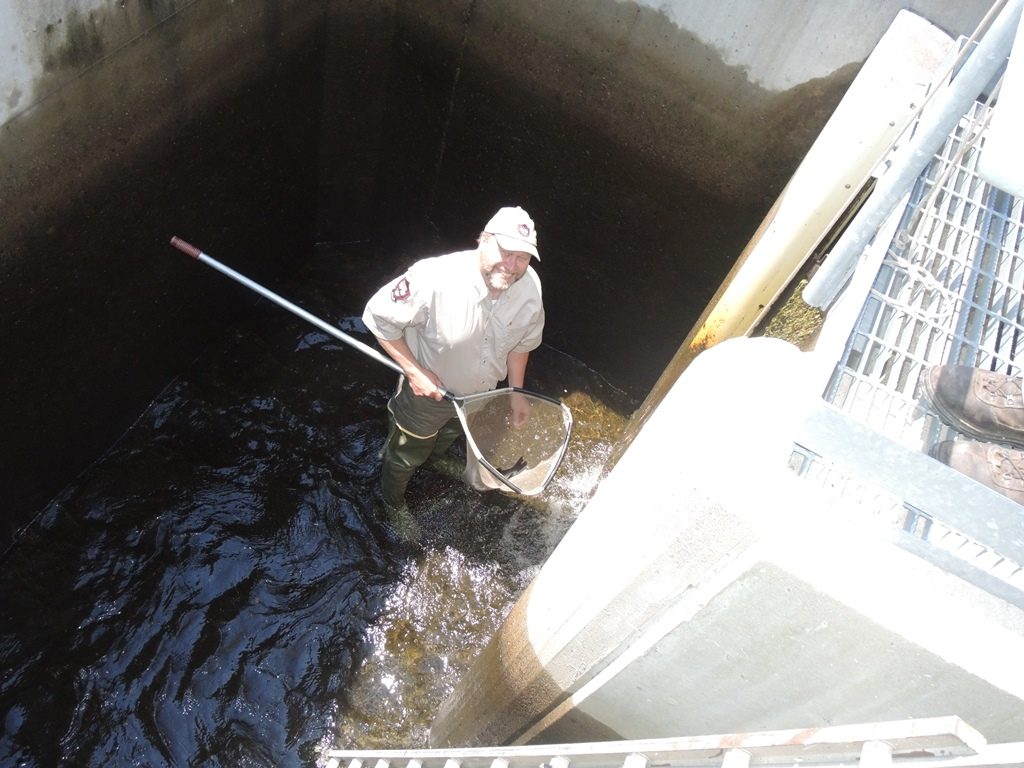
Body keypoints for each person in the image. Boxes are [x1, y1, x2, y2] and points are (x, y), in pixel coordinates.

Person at [362, 206, 545, 538]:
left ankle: (433, 459)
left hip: (478, 397)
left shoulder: (529, 287)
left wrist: (517, 393)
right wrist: (414, 372)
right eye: (506, 252)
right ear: (483, 240)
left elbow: (523, 343)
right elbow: (379, 319)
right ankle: (392, 502)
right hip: (425, 397)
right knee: (404, 454)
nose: (512, 265)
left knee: (448, 435)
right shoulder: (433, 278)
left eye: (522, 258)